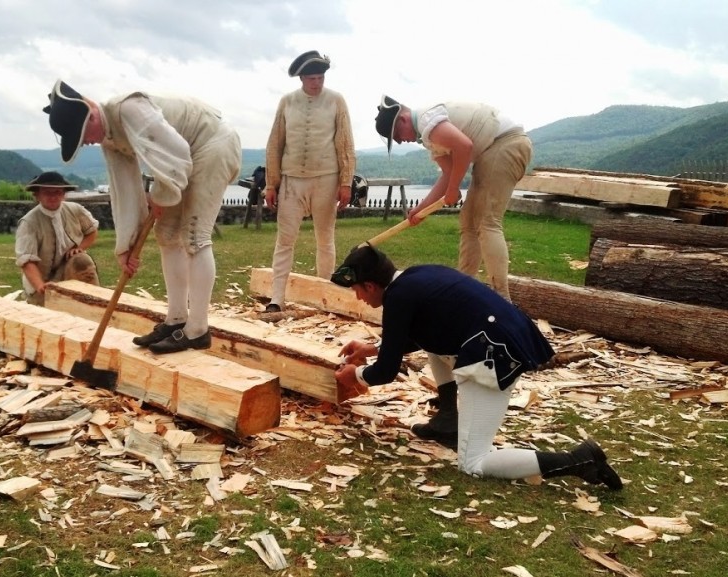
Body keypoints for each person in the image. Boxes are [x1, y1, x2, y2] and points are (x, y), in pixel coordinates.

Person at [331, 245, 622, 490]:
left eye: (358, 290)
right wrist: (375, 347)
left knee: (474, 463)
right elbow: (424, 333)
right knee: (434, 346)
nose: (359, 298)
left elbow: (386, 371)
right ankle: (448, 421)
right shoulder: (415, 277)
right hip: (498, 339)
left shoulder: (398, 297)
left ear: (370, 285)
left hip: (493, 354)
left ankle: (577, 460)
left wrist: (354, 376)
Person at [43, 79, 241, 354]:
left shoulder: (130, 109)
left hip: (213, 145)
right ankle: (176, 320)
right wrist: (126, 245)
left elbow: (176, 154)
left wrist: (160, 195)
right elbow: (125, 190)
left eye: (83, 134)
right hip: (184, 161)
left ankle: (197, 330)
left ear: (91, 111)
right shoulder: (109, 138)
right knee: (167, 235)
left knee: (194, 236)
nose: (86, 142)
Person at [374, 96, 532, 302]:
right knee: (468, 222)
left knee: (487, 222)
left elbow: (464, 147)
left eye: (397, 135)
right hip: (491, 150)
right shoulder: (430, 137)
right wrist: (421, 208)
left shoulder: (427, 120)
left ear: (403, 119)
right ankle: (465, 288)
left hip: (505, 143)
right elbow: (447, 174)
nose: (401, 141)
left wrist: (454, 188)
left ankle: (502, 297)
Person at [263, 50, 356, 313]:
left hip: (326, 178)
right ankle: (276, 298)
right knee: (285, 239)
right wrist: (271, 183)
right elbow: (275, 143)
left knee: (325, 238)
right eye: (312, 78)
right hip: (292, 179)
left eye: (321, 77)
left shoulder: (336, 101)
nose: (317, 83)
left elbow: (345, 143)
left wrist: (346, 182)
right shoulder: (287, 102)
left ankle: (324, 295)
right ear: (302, 78)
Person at [14, 171, 100, 306]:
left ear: (63, 194)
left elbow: (92, 231)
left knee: (82, 260)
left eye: (57, 192)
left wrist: (80, 248)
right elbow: (27, 261)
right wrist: (41, 286)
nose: (53, 197)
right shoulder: (29, 223)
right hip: (42, 279)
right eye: (47, 192)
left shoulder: (75, 209)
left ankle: (96, 302)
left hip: (68, 270)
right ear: (37, 195)